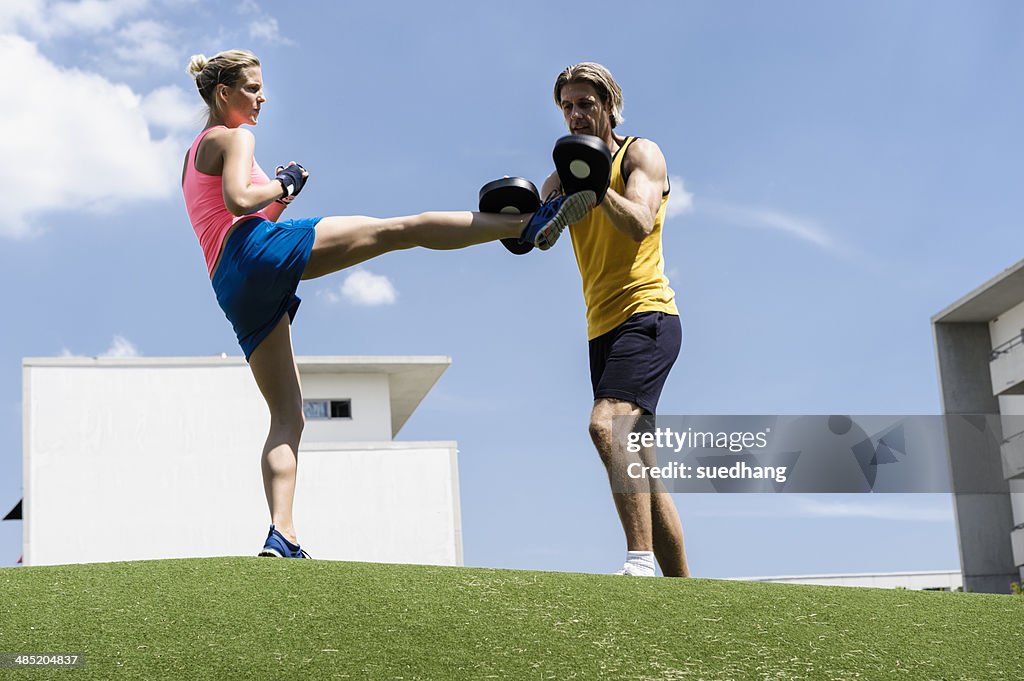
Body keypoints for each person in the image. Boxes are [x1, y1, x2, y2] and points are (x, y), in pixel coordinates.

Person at [182, 49, 596, 559]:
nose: (262, 97)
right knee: (399, 229)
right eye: (252, 88)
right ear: (224, 94)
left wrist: (283, 199)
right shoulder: (235, 135)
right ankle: (525, 225)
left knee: (288, 414)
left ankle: (281, 534)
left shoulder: (193, 152)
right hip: (253, 249)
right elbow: (238, 203)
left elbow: (233, 211)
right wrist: (282, 183)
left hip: (231, 285)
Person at [542, 62, 689, 577]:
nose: (576, 115)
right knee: (644, 469)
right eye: (567, 106)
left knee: (606, 427)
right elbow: (532, 233)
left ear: (609, 106)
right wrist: (517, 214)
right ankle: (689, 598)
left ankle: (639, 561)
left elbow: (639, 222)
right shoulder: (560, 176)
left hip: (647, 315)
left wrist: (597, 182)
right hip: (600, 329)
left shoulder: (640, 154)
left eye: (585, 104)